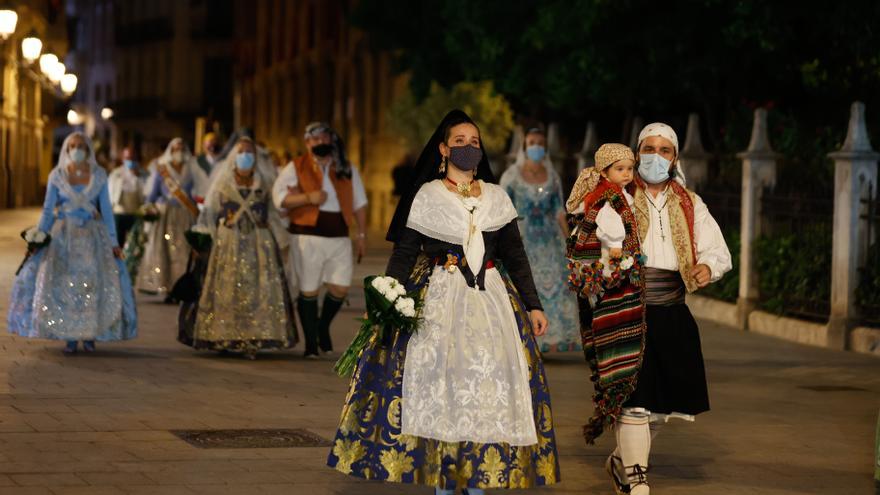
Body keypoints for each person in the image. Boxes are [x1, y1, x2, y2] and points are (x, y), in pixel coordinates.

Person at [326, 110, 560, 493]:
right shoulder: (427, 196)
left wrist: (534, 305)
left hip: (492, 303)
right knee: (443, 387)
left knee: (488, 389)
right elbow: (404, 253)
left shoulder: (497, 198)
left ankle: (479, 479)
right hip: (440, 301)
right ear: (443, 148)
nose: (468, 148)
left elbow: (515, 256)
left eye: (474, 142)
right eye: (459, 142)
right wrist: (386, 295)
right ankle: (444, 481)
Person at [569, 124, 732, 495]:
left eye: (664, 150)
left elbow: (717, 250)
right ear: (636, 152)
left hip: (672, 310)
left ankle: (620, 461)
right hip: (624, 309)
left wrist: (708, 266)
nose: (655, 157)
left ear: (675, 158)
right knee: (634, 402)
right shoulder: (615, 196)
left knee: (661, 408)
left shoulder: (689, 202)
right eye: (648, 149)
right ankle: (636, 478)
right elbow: (586, 235)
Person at [7, 132, 137, 354]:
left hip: (92, 239)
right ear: (67, 150)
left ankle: (89, 336)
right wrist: (40, 236)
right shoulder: (57, 175)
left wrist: (114, 241)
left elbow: (106, 210)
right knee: (65, 286)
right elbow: (48, 211)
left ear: (88, 150)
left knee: (92, 285)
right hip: (64, 238)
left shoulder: (99, 175)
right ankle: (69, 336)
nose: (77, 149)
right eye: (73, 146)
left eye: (81, 146)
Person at [182, 137, 297, 359]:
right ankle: (225, 334)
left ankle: (251, 338)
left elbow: (274, 213)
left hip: (259, 243)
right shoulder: (223, 183)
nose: (246, 156)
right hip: (228, 243)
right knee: (228, 289)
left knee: (257, 291)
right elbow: (210, 212)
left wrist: (283, 238)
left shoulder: (264, 182)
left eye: (250, 152)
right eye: (242, 152)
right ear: (234, 156)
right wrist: (204, 238)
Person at [272, 122, 368, 358]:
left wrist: (362, 234)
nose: (321, 143)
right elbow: (279, 199)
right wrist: (308, 197)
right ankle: (311, 344)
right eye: (316, 140)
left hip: (339, 235)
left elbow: (360, 202)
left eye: (325, 138)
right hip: (307, 236)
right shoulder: (296, 166)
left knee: (340, 286)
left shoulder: (345, 167)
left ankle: (322, 326)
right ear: (307, 143)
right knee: (309, 289)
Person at [500, 127, 579, 352]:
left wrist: (570, 242)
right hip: (522, 238)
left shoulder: (552, 175)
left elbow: (559, 211)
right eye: (531, 142)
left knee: (556, 285)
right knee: (525, 283)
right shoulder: (511, 176)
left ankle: (548, 339)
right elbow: (502, 210)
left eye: (540, 143)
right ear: (525, 146)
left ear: (544, 148)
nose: (536, 146)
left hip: (550, 240)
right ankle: (523, 339)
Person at [137, 138, 208, 301]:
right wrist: (149, 208)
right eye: (176, 149)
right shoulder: (162, 169)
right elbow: (153, 194)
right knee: (165, 252)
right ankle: (167, 287)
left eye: (182, 148)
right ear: (170, 150)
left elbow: (200, 190)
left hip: (185, 214)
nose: (179, 152)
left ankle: (181, 287)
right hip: (166, 216)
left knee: (184, 252)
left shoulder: (191, 168)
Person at [107, 147, 148, 247]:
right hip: (119, 212)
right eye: (127, 158)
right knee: (117, 242)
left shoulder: (143, 174)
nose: (130, 161)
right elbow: (109, 193)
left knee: (136, 243)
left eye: (132, 158)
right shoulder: (115, 174)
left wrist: (138, 176)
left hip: (136, 213)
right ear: (123, 159)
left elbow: (147, 192)